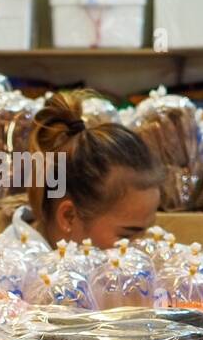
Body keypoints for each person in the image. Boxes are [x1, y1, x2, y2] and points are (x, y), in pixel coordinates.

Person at [27, 90, 163, 248]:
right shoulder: (10, 269)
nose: (143, 247)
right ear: (69, 217)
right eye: (128, 235)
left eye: (146, 232)